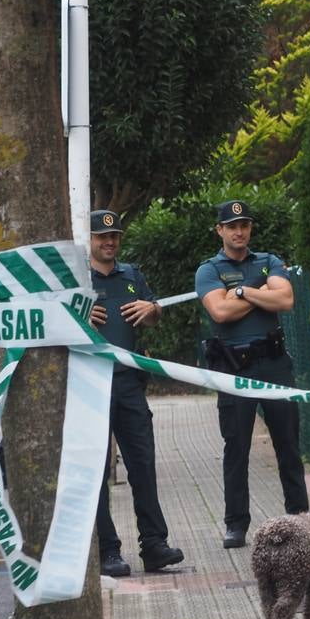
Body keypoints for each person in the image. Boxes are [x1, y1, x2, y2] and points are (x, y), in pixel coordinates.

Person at [196, 200, 309, 549]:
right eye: (231, 226)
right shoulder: (209, 270)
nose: (239, 231)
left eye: (244, 224)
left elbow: (286, 301)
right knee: (236, 447)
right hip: (234, 368)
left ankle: (299, 519)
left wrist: (243, 291)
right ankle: (236, 524)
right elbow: (220, 311)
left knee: (288, 443)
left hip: (274, 364)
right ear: (220, 230)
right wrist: (264, 294)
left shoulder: (268, 261)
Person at [88, 209, 185, 577]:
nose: (109, 241)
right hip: (91, 383)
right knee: (97, 469)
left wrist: (154, 309)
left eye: (114, 236)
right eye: (102, 236)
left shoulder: (132, 275)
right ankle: (107, 549)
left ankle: (155, 545)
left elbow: (154, 312)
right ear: (91, 240)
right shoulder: (76, 280)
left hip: (128, 382)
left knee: (142, 464)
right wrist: (78, 316)